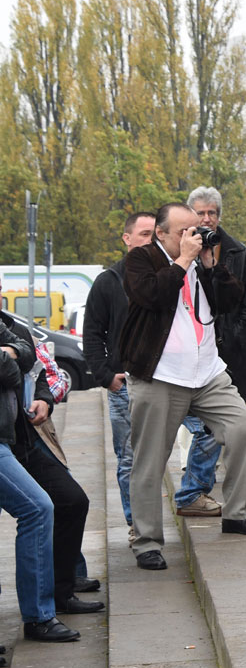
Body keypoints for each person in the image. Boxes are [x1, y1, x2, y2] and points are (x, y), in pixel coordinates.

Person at [121, 203, 246, 572]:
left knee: (244, 427)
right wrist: (183, 261)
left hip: (207, 374)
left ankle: (236, 514)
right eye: (184, 231)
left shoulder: (201, 262)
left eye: (196, 230)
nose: (194, 236)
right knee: (149, 461)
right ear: (161, 234)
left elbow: (231, 300)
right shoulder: (142, 260)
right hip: (161, 376)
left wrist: (211, 265)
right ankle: (147, 541)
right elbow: (151, 296)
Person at [174, 186, 246, 518]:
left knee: (218, 426)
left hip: (228, 355)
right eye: (200, 213)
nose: (206, 218)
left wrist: (233, 339)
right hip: (187, 355)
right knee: (204, 427)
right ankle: (193, 489)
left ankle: (194, 490)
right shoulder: (177, 254)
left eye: (212, 212)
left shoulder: (239, 254)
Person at [0, 320, 79, 642]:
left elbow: (29, 357)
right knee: (37, 508)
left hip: (16, 439)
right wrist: (10, 358)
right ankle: (39, 616)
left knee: (64, 502)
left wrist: (11, 355)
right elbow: (9, 371)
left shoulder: (7, 324)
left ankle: (50, 605)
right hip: (9, 442)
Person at [82, 212, 155, 540]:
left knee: (207, 431)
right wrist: (106, 376)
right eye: (144, 234)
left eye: (155, 234)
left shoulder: (168, 276)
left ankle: (191, 493)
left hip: (170, 381)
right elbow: (92, 333)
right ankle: (136, 525)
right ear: (127, 238)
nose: (150, 240)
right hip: (125, 386)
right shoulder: (109, 281)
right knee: (129, 460)